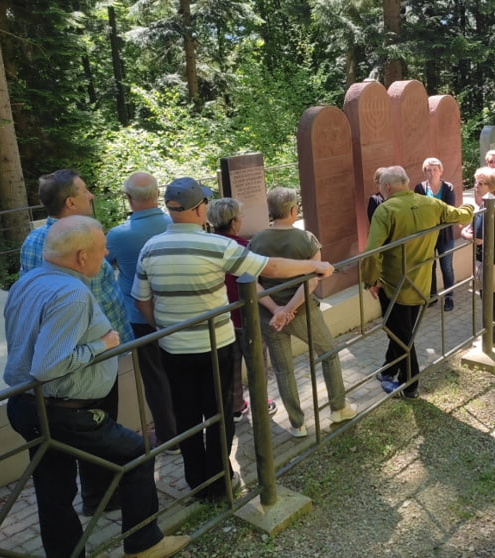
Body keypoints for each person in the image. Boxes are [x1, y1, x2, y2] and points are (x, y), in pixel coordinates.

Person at [133, 178, 334, 501]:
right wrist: (315, 265)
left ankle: (196, 482)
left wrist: (165, 327)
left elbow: (141, 300)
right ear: (200, 209)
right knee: (219, 414)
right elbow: (270, 267)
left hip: (173, 349)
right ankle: (220, 481)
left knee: (186, 416)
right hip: (216, 346)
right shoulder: (218, 246)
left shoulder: (151, 248)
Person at [3, 216, 190, 558]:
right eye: (101, 248)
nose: (107, 253)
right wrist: (101, 345)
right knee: (136, 453)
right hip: (62, 411)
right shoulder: (71, 294)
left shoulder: (28, 281)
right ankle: (144, 544)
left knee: (53, 489)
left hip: (26, 406)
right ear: (80, 257)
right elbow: (48, 366)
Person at [20, 169, 129, 514]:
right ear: (70, 202)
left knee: (62, 454)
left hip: (57, 359)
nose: (92, 196)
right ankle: (101, 498)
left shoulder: (33, 240)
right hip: (91, 356)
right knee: (100, 427)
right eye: (85, 191)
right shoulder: (82, 246)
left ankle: (86, 504)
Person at [248, 188, 357, 437]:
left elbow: (252, 282)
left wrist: (277, 310)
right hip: (303, 312)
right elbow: (312, 281)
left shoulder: (256, 241)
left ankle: (298, 424)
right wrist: (288, 309)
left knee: (283, 369)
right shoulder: (307, 240)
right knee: (329, 353)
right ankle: (338, 408)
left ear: (270, 211)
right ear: (293, 211)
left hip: (269, 316)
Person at [363, 166, 474, 399]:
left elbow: (372, 252)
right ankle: (388, 369)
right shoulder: (431, 204)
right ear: (406, 182)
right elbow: (462, 215)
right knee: (401, 331)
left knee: (402, 336)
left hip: (394, 287)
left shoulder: (385, 210)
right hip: (422, 284)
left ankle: (410, 386)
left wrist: (371, 281)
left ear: (387, 187)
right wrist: (473, 205)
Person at [105, 172, 178, 451]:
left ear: (128, 199)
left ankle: (169, 437)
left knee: (154, 377)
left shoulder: (119, 235)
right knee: (180, 369)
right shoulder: (175, 224)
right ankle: (191, 426)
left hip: (140, 317)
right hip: (179, 313)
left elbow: (102, 265)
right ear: (158, 195)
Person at [206, 197, 277, 424]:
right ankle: (260, 403)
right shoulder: (244, 248)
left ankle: (236, 407)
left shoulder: (207, 246)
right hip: (246, 317)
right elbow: (256, 282)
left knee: (231, 365)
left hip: (221, 318)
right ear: (234, 222)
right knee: (257, 362)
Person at [461, 167, 495, 345]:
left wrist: (465, 234)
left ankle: (490, 340)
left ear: (494, 187)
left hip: (489, 261)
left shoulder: (486, 206)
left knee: (490, 300)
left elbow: (479, 239)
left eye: (481, 183)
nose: (476, 186)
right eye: (475, 182)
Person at [414, 157, 457, 311]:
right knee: (429, 266)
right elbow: (418, 212)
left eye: (435, 169)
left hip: (445, 235)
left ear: (441, 171)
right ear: (424, 172)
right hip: (427, 236)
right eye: (428, 170)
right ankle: (432, 296)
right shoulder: (419, 188)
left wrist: (432, 214)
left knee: (446, 266)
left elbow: (449, 210)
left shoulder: (448, 188)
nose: (432, 173)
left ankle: (449, 297)